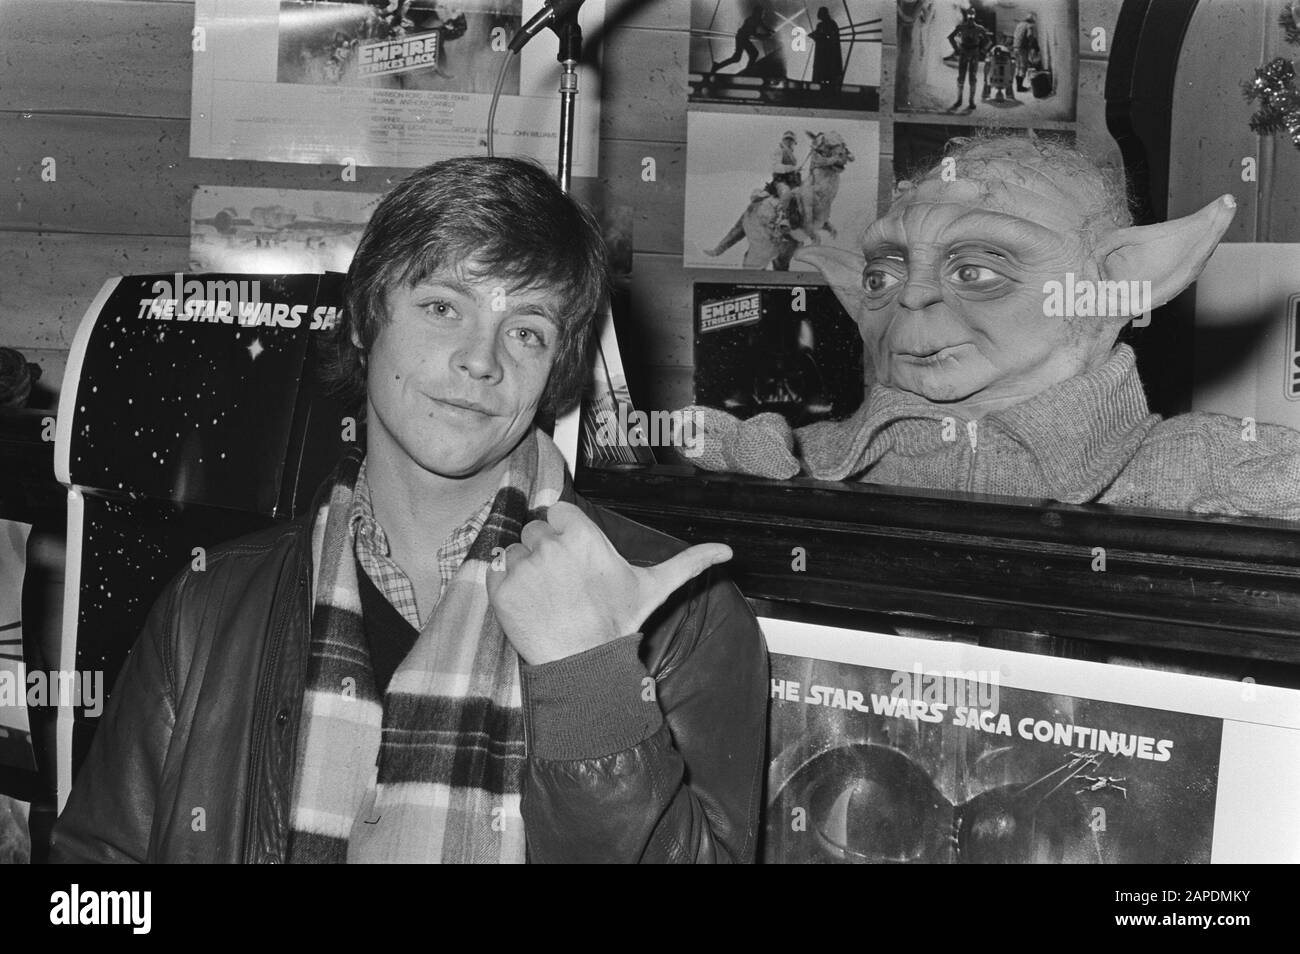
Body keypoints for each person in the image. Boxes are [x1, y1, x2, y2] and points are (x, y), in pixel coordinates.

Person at [50, 157, 769, 863]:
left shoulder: (680, 615)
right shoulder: (210, 602)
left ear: (557, 369)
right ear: (365, 320)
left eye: (527, 330)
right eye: (441, 307)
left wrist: (588, 678)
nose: (481, 360)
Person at [681, 134, 1300, 519]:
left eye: (976, 270)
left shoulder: (1202, 468)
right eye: (880, 278)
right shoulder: (816, 459)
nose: (914, 296)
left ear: (1117, 285)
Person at [947, 7, 991, 111]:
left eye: (972, 15)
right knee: (961, 78)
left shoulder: (979, 28)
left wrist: (983, 51)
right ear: (967, 16)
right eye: (969, 15)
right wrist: (956, 49)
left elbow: (989, 41)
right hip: (964, 52)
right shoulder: (962, 27)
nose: (971, 17)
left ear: (974, 16)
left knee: (972, 78)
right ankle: (959, 99)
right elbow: (950, 37)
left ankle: (971, 101)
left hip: (974, 53)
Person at [712, 6, 773, 74]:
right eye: (762, 13)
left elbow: (764, 27)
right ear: (758, 13)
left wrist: (770, 31)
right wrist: (766, 35)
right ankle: (748, 70)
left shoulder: (757, 20)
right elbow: (754, 33)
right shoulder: (751, 20)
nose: (763, 15)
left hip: (742, 38)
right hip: (742, 38)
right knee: (753, 54)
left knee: (737, 58)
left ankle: (717, 66)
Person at [810, 7, 843, 91]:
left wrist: (819, 36)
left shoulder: (830, 24)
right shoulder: (826, 25)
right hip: (823, 54)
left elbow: (830, 38)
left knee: (826, 71)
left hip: (828, 54)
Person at [1013, 12, 1037, 93]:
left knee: (1018, 66)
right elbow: (1029, 36)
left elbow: (1015, 35)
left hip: (1015, 47)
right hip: (1023, 48)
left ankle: (1018, 86)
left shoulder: (1019, 24)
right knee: (1023, 67)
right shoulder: (1029, 25)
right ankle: (1020, 87)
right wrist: (1032, 44)